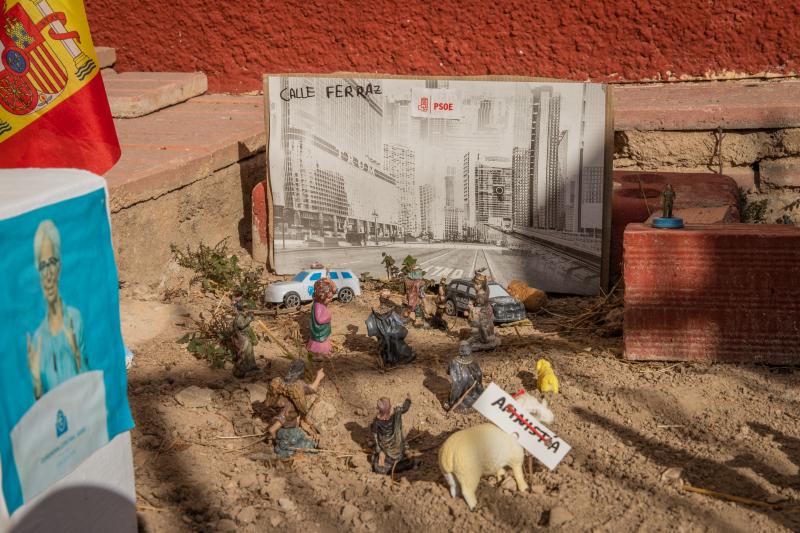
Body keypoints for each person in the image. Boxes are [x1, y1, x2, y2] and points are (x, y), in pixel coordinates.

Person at [26, 220, 88, 400]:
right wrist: (37, 383)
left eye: (51, 262)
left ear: (59, 266)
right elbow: (42, 410)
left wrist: (77, 356)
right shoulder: (37, 339)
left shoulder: (75, 319)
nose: (48, 274)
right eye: (42, 266)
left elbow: (91, 391)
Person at [268, 360, 325, 458]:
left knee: (305, 441)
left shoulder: (284, 384)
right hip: (288, 436)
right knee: (306, 447)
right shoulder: (288, 411)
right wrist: (318, 378)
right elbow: (272, 429)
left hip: (292, 433)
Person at [370, 396, 421, 474]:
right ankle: (409, 461)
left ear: (378, 408)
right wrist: (408, 399)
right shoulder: (396, 415)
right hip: (399, 449)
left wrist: (378, 449)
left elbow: (375, 437)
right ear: (390, 407)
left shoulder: (376, 423)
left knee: (378, 459)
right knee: (405, 450)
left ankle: (389, 466)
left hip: (387, 451)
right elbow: (405, 408)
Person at [444, 342, 484, 412]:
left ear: (460, 351)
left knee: (459, 390)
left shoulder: (454, 362)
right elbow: (479, 375)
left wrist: (452, 400)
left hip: (464, 393)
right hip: (475, 391)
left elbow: (455, 381)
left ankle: (456, 403)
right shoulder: (473, 360)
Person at [307, 277, 336, 360]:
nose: (331, 300)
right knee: (320, 344)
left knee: (325, 342)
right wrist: (328, 316)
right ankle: (319, 353)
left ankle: (325, 351)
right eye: (329, 298)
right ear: (321, 296)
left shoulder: (321, 304)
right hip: (319, 333)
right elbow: (319, 319)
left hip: (323, 331)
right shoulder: (318, 306)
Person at [231, 299, 257, 377]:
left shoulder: (241, 316)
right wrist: (249, 318)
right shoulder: (239, 317)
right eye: (244, 308)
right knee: (244, 354)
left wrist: (249, 317)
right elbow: (241, 325)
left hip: (245, 337)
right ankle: (241, 370)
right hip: (242, 338)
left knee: (249, 352)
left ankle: (251, 367)